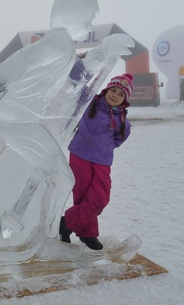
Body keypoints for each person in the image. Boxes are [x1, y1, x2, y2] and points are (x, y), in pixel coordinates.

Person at [59, 74, 134, 250]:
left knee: (100, 198)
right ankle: (88, 234)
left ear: (125, 100)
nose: (115, 95)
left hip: (102, 161)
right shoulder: (89, 103)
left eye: (120, 94)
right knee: (83, 197)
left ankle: (66, 223)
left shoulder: (123, 120)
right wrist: (82, 61)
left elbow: (119, 139)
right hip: (80, 156)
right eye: (113, 90)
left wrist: (104, 148)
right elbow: (77, 80)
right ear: (107, 89)